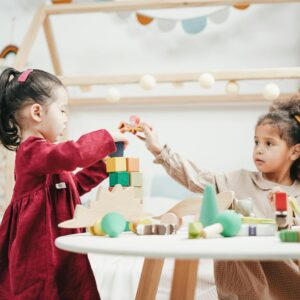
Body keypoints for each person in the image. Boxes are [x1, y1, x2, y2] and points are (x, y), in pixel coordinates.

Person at [135, 95, 300, 299]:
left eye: (269, 144)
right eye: (256, 142)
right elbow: (195, 178)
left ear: (294, 152)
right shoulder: (237, 181)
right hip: (244, 289)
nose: (258, 149)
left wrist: (283, 211)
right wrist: (158, 149)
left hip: (289, 285)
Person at [0, 68, 126, 299]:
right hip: (38, 248)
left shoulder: (48, 158)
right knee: (41, 290)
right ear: (37, 112)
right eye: (62, 110)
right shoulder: (31, 151)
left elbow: (72, 187)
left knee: (73, 287)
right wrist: (105, 137)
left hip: (62, 245)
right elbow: (71, 156)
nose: (66, 118)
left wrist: (106, 165)